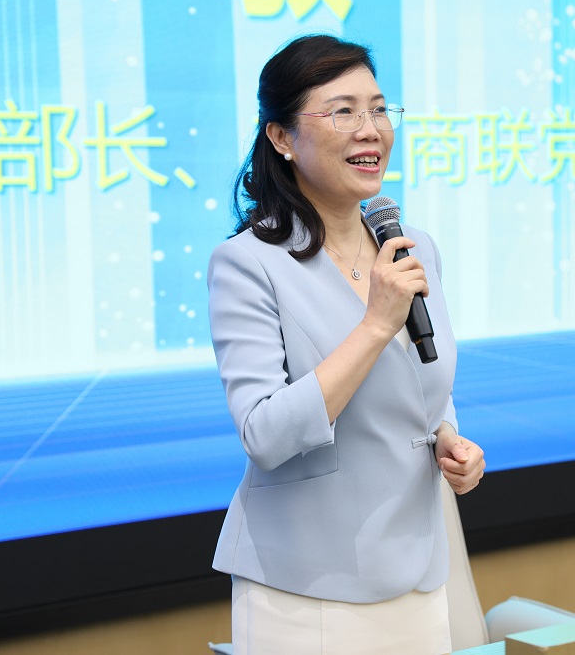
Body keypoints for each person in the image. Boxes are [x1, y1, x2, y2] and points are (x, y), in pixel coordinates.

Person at [207, 34, 486, 654]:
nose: (370, 130)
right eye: (343, 112)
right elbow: (265, 435)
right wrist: (374, 325)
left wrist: (448, 437)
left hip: (418, 573)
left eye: (379, 110)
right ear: (281, 137)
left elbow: (422, 385)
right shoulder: (248, 263)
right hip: (307, 587)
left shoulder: (411, 245)